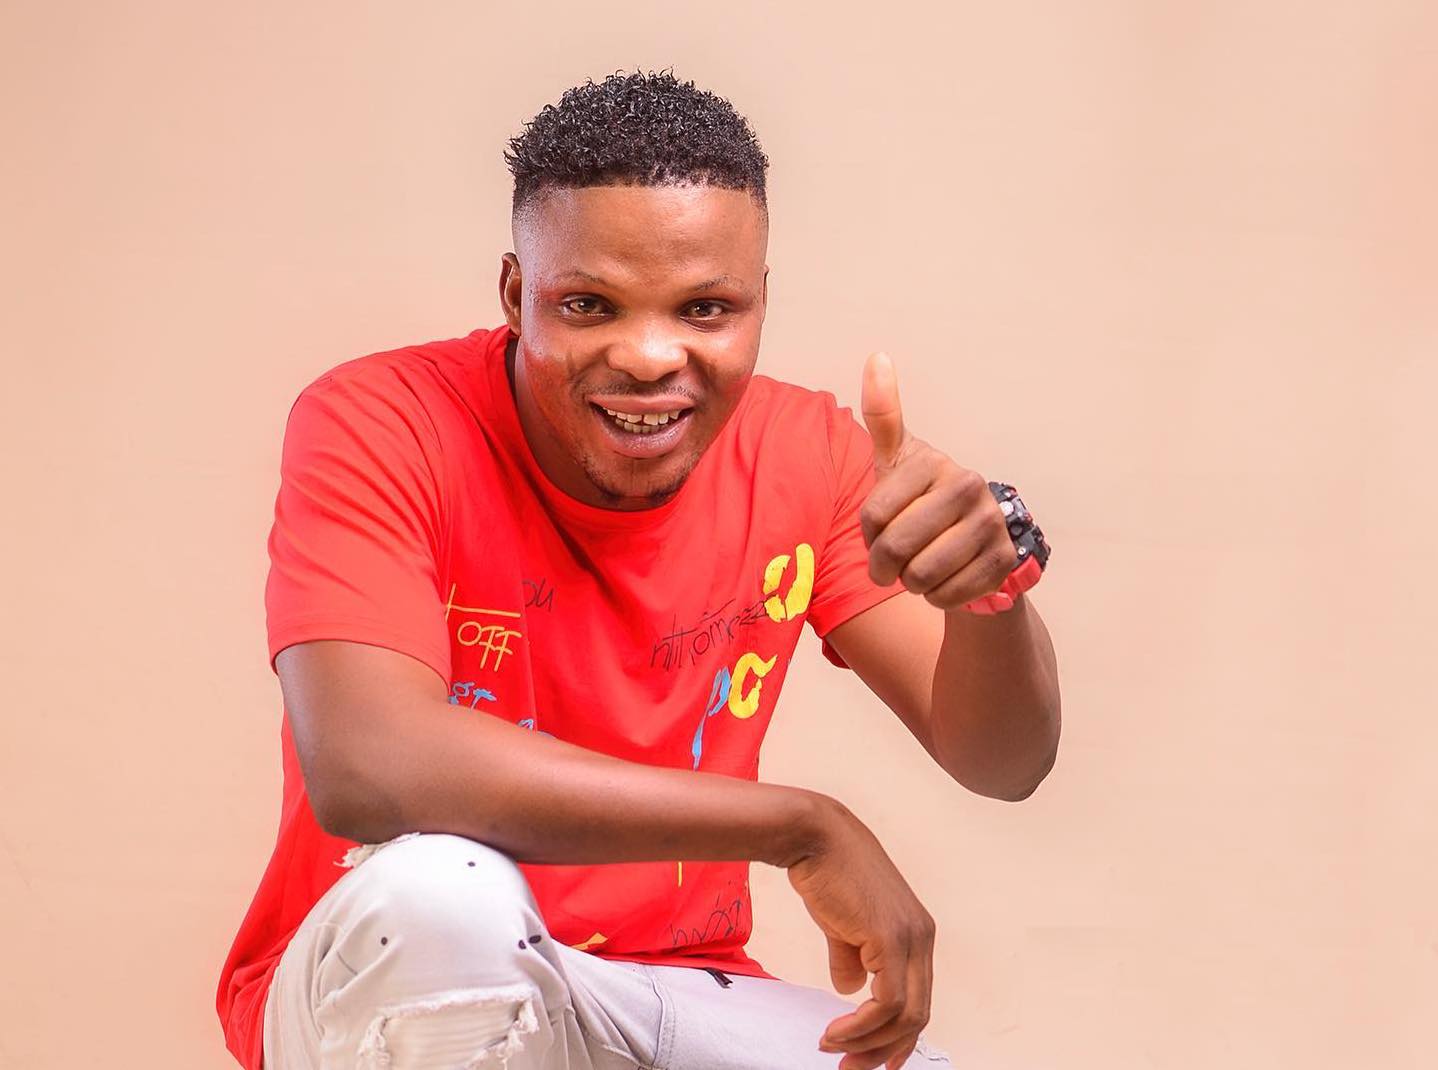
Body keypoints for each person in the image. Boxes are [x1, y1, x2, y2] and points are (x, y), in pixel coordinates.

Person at [215, 69, 1061, 1070]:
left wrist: (987, 594)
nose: (652, 355)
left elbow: (1002, 762)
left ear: (760, 302)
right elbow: (369, 763)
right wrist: (802, 826)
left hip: (663, 984)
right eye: (589, 304)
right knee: (438, 894)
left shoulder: (810, 453)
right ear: (516, 294)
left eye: (706, 309)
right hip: (391, 980)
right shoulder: (383, 420)